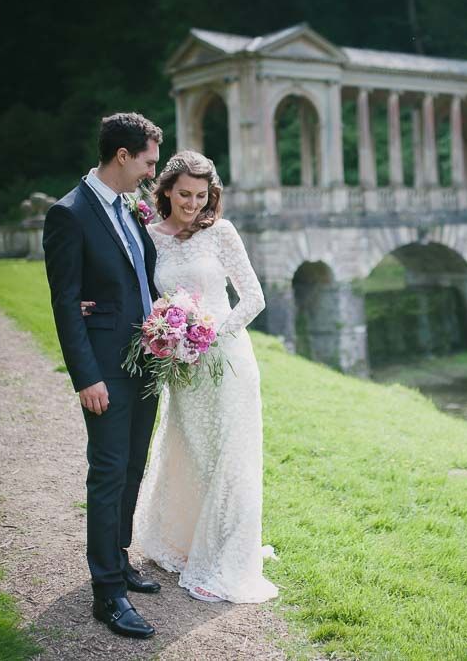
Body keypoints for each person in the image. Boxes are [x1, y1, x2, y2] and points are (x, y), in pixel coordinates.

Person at [132, 150, 278, 604]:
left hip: (226, 358)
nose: (194, 204)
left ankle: (226, 555)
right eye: (184, 195)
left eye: (202, 195)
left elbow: (253, 299)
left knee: (228, 455)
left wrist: (209, 335)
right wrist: (168, 336)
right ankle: (185, 541)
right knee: (190, 448)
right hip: (178, 365)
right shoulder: (149, 237)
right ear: (167, 192)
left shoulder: (223, 233)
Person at [43, 112, 163, 639]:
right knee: (109, 470)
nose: (152, 174)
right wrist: (85, 376)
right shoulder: (68, 214)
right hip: (105, 370)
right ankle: (107, 594)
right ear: (123, 156)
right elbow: (67, 302)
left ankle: (119, 556)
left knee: (134, 464)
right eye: (149, 162)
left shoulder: (129, 208)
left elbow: (140, 276)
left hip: (147, 360)